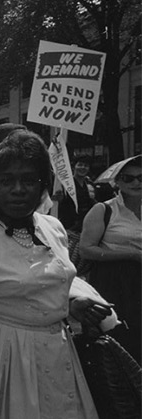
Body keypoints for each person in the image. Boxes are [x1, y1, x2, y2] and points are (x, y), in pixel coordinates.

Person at [0, 130, 108, 419]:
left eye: (28, 180)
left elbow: (48, 285)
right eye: (6, 181)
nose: (18, 189)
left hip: (58, 354)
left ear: (42, 185)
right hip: (4, 363)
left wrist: (71, 306)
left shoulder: (53, 228)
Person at [79, 154, 142, 363]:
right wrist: (131, 254)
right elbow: (86, 249)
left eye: (141, 178)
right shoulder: (104, 210)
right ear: (117, 181)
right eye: (128, 178)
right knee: (120, 337)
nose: (136, 183)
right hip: (114, 280)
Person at [52, 155, 96, 232]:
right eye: (80, 165)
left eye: (86, 166)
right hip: (69, 226)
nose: (83, 167)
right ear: (74, 167)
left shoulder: (89, 184)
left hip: (85, 225)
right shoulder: (65, 184)